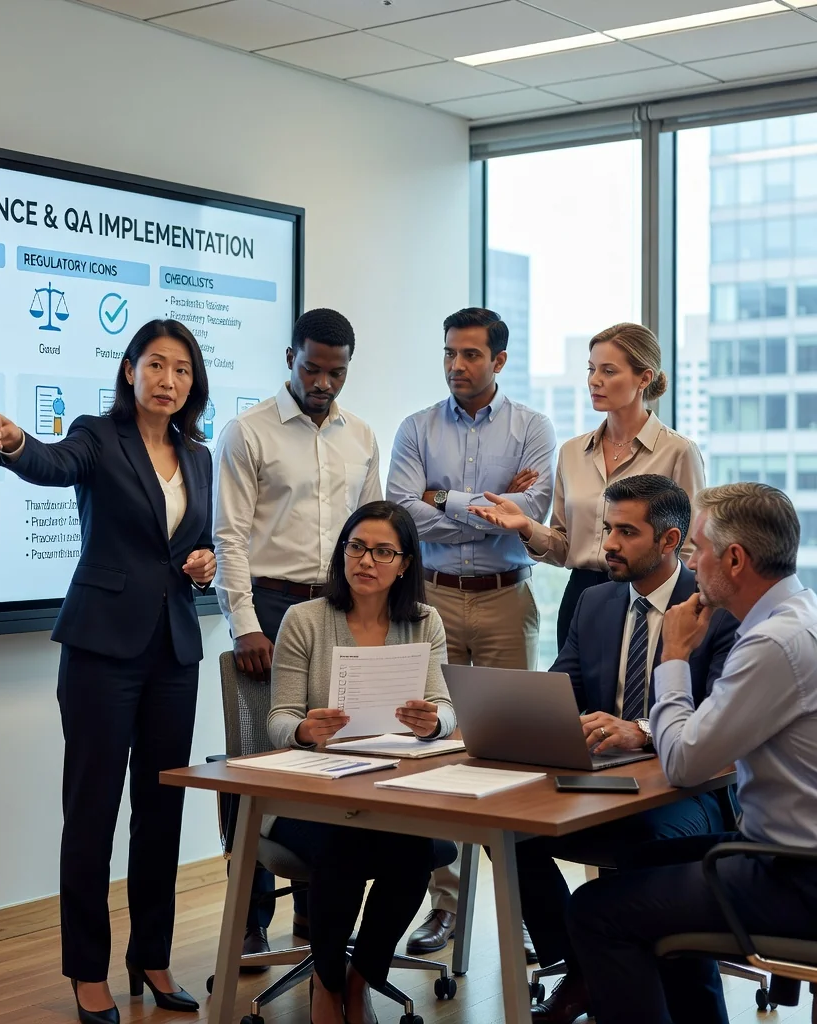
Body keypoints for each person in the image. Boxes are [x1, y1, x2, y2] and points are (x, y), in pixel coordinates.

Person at [0, 319, 215, 1024]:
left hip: (173, 651)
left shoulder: (197, 457)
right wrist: (15, 444)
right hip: (102, 651)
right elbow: (54, 464)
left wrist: (205, 565)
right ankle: (87, 970)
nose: (169, 381)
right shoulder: (97, 436)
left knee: (161, 812)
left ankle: (154, 956)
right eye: (157, 366)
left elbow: (192, 548)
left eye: (183, 370)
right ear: (130, 369)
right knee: (93, 814)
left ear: (193, 383)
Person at [567, 482, 817, 1024]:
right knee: (642, 862)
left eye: (696, 550)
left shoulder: (772, 644)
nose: (691, 563)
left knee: (595, 911)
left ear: (734, 559)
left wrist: (674, 656)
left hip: (794, 876)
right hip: (786, 854)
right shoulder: (802, 615)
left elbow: (683, 763)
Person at [496, 475, 737, 1022]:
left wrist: (645, 730)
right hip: (600, 782)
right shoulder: (596, 603)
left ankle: (629, 975)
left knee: (648, 851)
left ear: (671, 540)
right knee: (507, 832)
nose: (607, 544)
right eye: (608, 529)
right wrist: (546, 722)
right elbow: (562, 691)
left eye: (627, 532)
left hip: (687, 790)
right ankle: (581, 966)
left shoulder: (713, 608)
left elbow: (725, 719)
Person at [213, 307, 382, 961]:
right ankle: (250, 921)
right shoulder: (247, 432)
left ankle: (319, 919)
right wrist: (245, 623)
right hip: (272, 608)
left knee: (334, 758)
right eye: (312, 367)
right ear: (291, 357)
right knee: (257, 759)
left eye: (335, 371)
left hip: (340, 609)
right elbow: (228, 535)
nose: (323, 380)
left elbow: (370, 529)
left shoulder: (361, 434)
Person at [386, 306, 556, 955]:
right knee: (433, 749)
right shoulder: (416, 426)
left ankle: (519, 911)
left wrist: (440, 500)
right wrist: (483, 506)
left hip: (506, 602)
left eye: (472, 355)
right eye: (451, 353)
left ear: (500, 361)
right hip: (430, 600)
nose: (458, 366)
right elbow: (403, 514)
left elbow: (530, 513)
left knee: (513, 754)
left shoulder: (532, 427)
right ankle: (445, 907)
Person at [268, 501, 457, 1024]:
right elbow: (278, 718)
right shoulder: (304, 619)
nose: (365, 560)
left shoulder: (425, 621)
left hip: (389, 790)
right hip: (310, 794)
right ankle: (327, 985)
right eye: (356, 547)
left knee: (414, 850)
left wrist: (432, 722)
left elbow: (445, 707)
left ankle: (361, 977)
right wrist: (305, 728)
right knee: (343, 844)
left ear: (404, 563)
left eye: (381, 551)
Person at [473, 323, 705, 653]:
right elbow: (565, 546)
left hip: (648, 595)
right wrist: (526, 526)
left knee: (640, 697)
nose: (594, 381)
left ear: (644, 378)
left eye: (608, 371)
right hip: (582, 595)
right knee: (575, 698)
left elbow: (690, 548)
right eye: (591, 369)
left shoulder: (678, 452)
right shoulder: (571, 452)